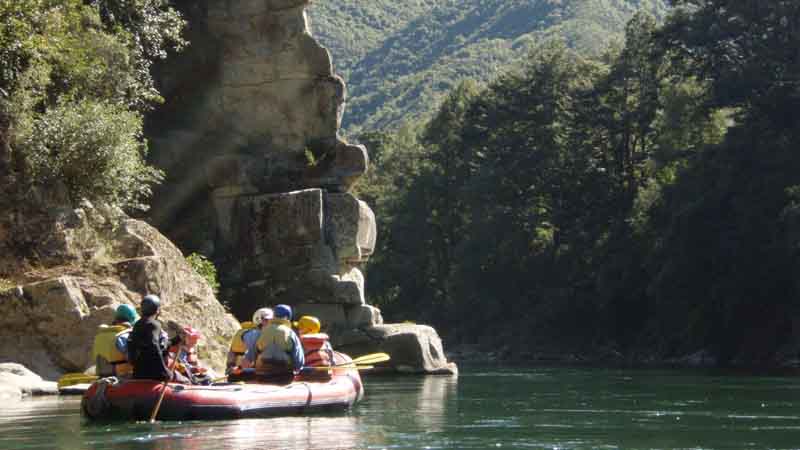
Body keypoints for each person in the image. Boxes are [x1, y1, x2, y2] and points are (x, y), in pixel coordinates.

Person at [127, 294, 187, 382]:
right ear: (157, 310)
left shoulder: (137, 325)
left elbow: (161, 345)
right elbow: (154, 347)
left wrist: (176, 339)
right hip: (155, 374)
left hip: (138, 373)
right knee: (186, 381)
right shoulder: (154, 324)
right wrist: (165, 372)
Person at [254, 304, 304, 380]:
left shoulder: (263, 331)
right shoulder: (290, 332)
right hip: (283, 375)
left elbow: (256, 350)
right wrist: (297, 368)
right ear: (288, 316)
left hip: (262, 374)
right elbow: (299, 359)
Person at [92, 304, 139, 378]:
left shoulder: (100, 336)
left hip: (101, 377)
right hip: (122, 377)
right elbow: (133, 359)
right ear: (132, 320)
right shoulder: (124, 336)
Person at [227, 307, 273, 373]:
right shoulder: (249, 333)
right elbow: (234, 354)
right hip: (240, 371)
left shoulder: (267, 334)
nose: (271, 323)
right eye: (267, 320)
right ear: (259, 320)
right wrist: (231, 367)